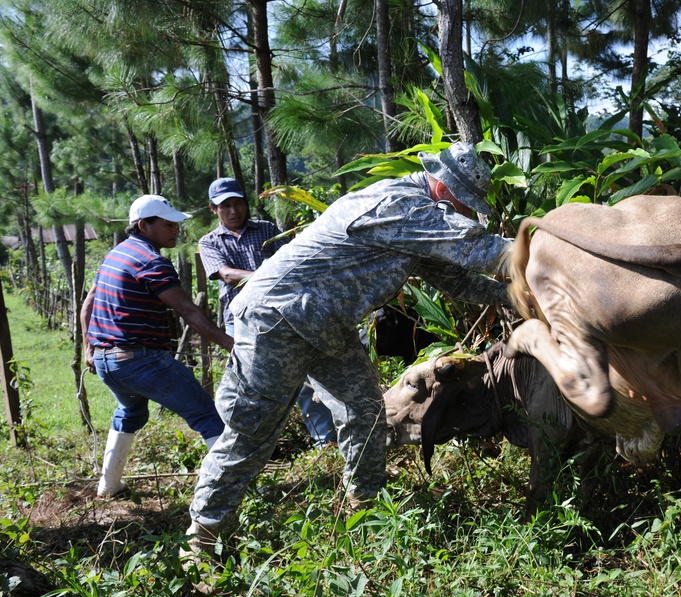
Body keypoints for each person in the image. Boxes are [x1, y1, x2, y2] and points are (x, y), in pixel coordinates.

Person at [184, 142, 511, 553]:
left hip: (325, 325)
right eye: (466, 205)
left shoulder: (416, 220)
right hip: (278, 321)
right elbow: (481, 251)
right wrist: (550, 256)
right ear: (446, 191)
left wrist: (516, 298)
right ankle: (202, 538)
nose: (466, 213)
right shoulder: (400, 205)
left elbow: (458, 280)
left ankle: (365, 510)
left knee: (364, 413)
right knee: (253, 431)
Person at [82, 194, 234, 499]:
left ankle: (108, 486)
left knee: (130, 412)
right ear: (143, 225)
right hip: (140, 361)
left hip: (105, 361)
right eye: (168, 224)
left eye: (175, 224)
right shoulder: (151, 262)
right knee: (208, 416)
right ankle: (228, 493)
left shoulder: (115, 255)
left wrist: (89, 349)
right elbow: (189, 311)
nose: (175, 230)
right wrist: (234, 345)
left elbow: (87, 304)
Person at [198, 177, 337, 449]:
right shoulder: (210, 242)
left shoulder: (266, 229)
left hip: (281, 315)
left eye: (238, 203)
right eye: (225, 206)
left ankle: (325, 442)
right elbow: (226, 275)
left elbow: (291, 263)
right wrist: (268, 276)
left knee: (303, 378)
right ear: (213, 209)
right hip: (240, 322)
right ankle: (249, 445)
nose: (233, 211)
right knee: (249, 386)